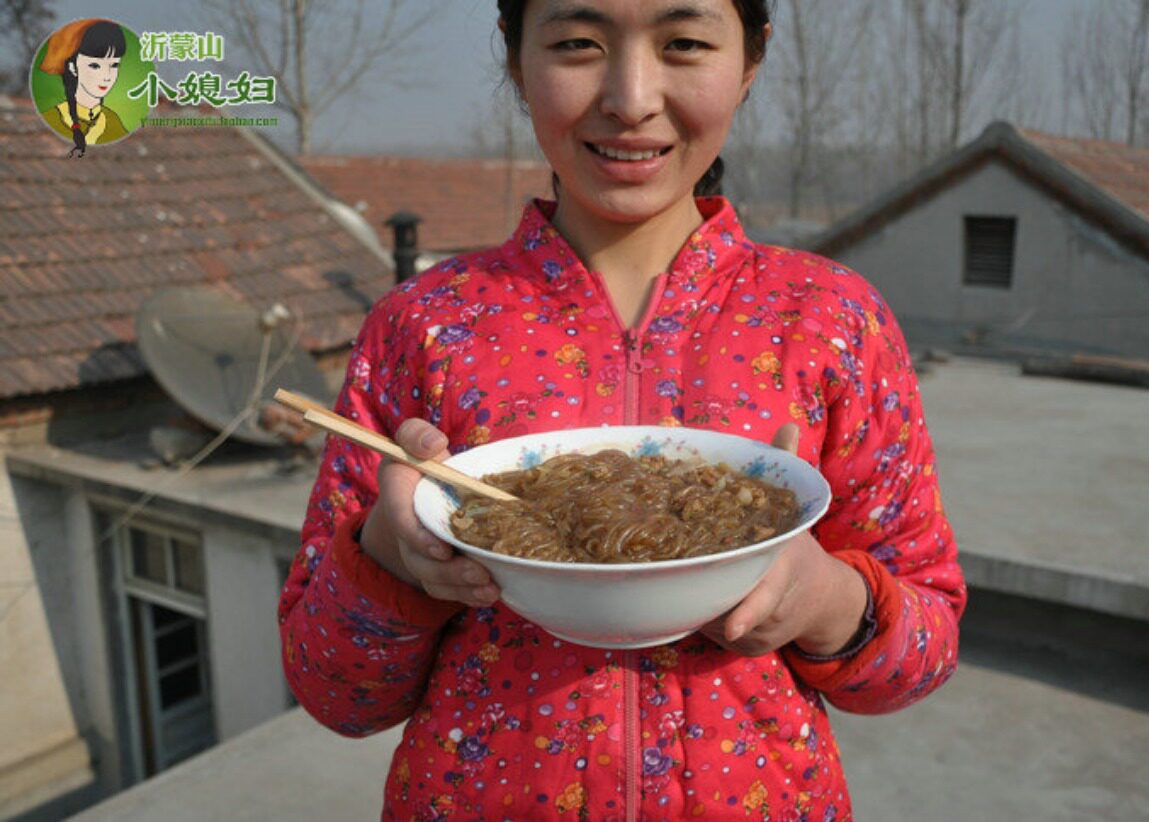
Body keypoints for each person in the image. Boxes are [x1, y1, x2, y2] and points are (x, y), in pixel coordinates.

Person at [279, 1, 966, 819]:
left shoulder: (832, 321)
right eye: (578, 43)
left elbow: (924, 652)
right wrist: (392, 554)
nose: (631, 99)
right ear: (516, 58)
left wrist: (824, 603)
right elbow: (332, 692)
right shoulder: (420, 327)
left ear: (750, 60)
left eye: (684, 43)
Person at [37, 18, 130, 156]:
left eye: (114, 65)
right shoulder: (51, 120)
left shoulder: (114, 122)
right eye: (95, 66)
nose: (107, 76)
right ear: (72, 67)